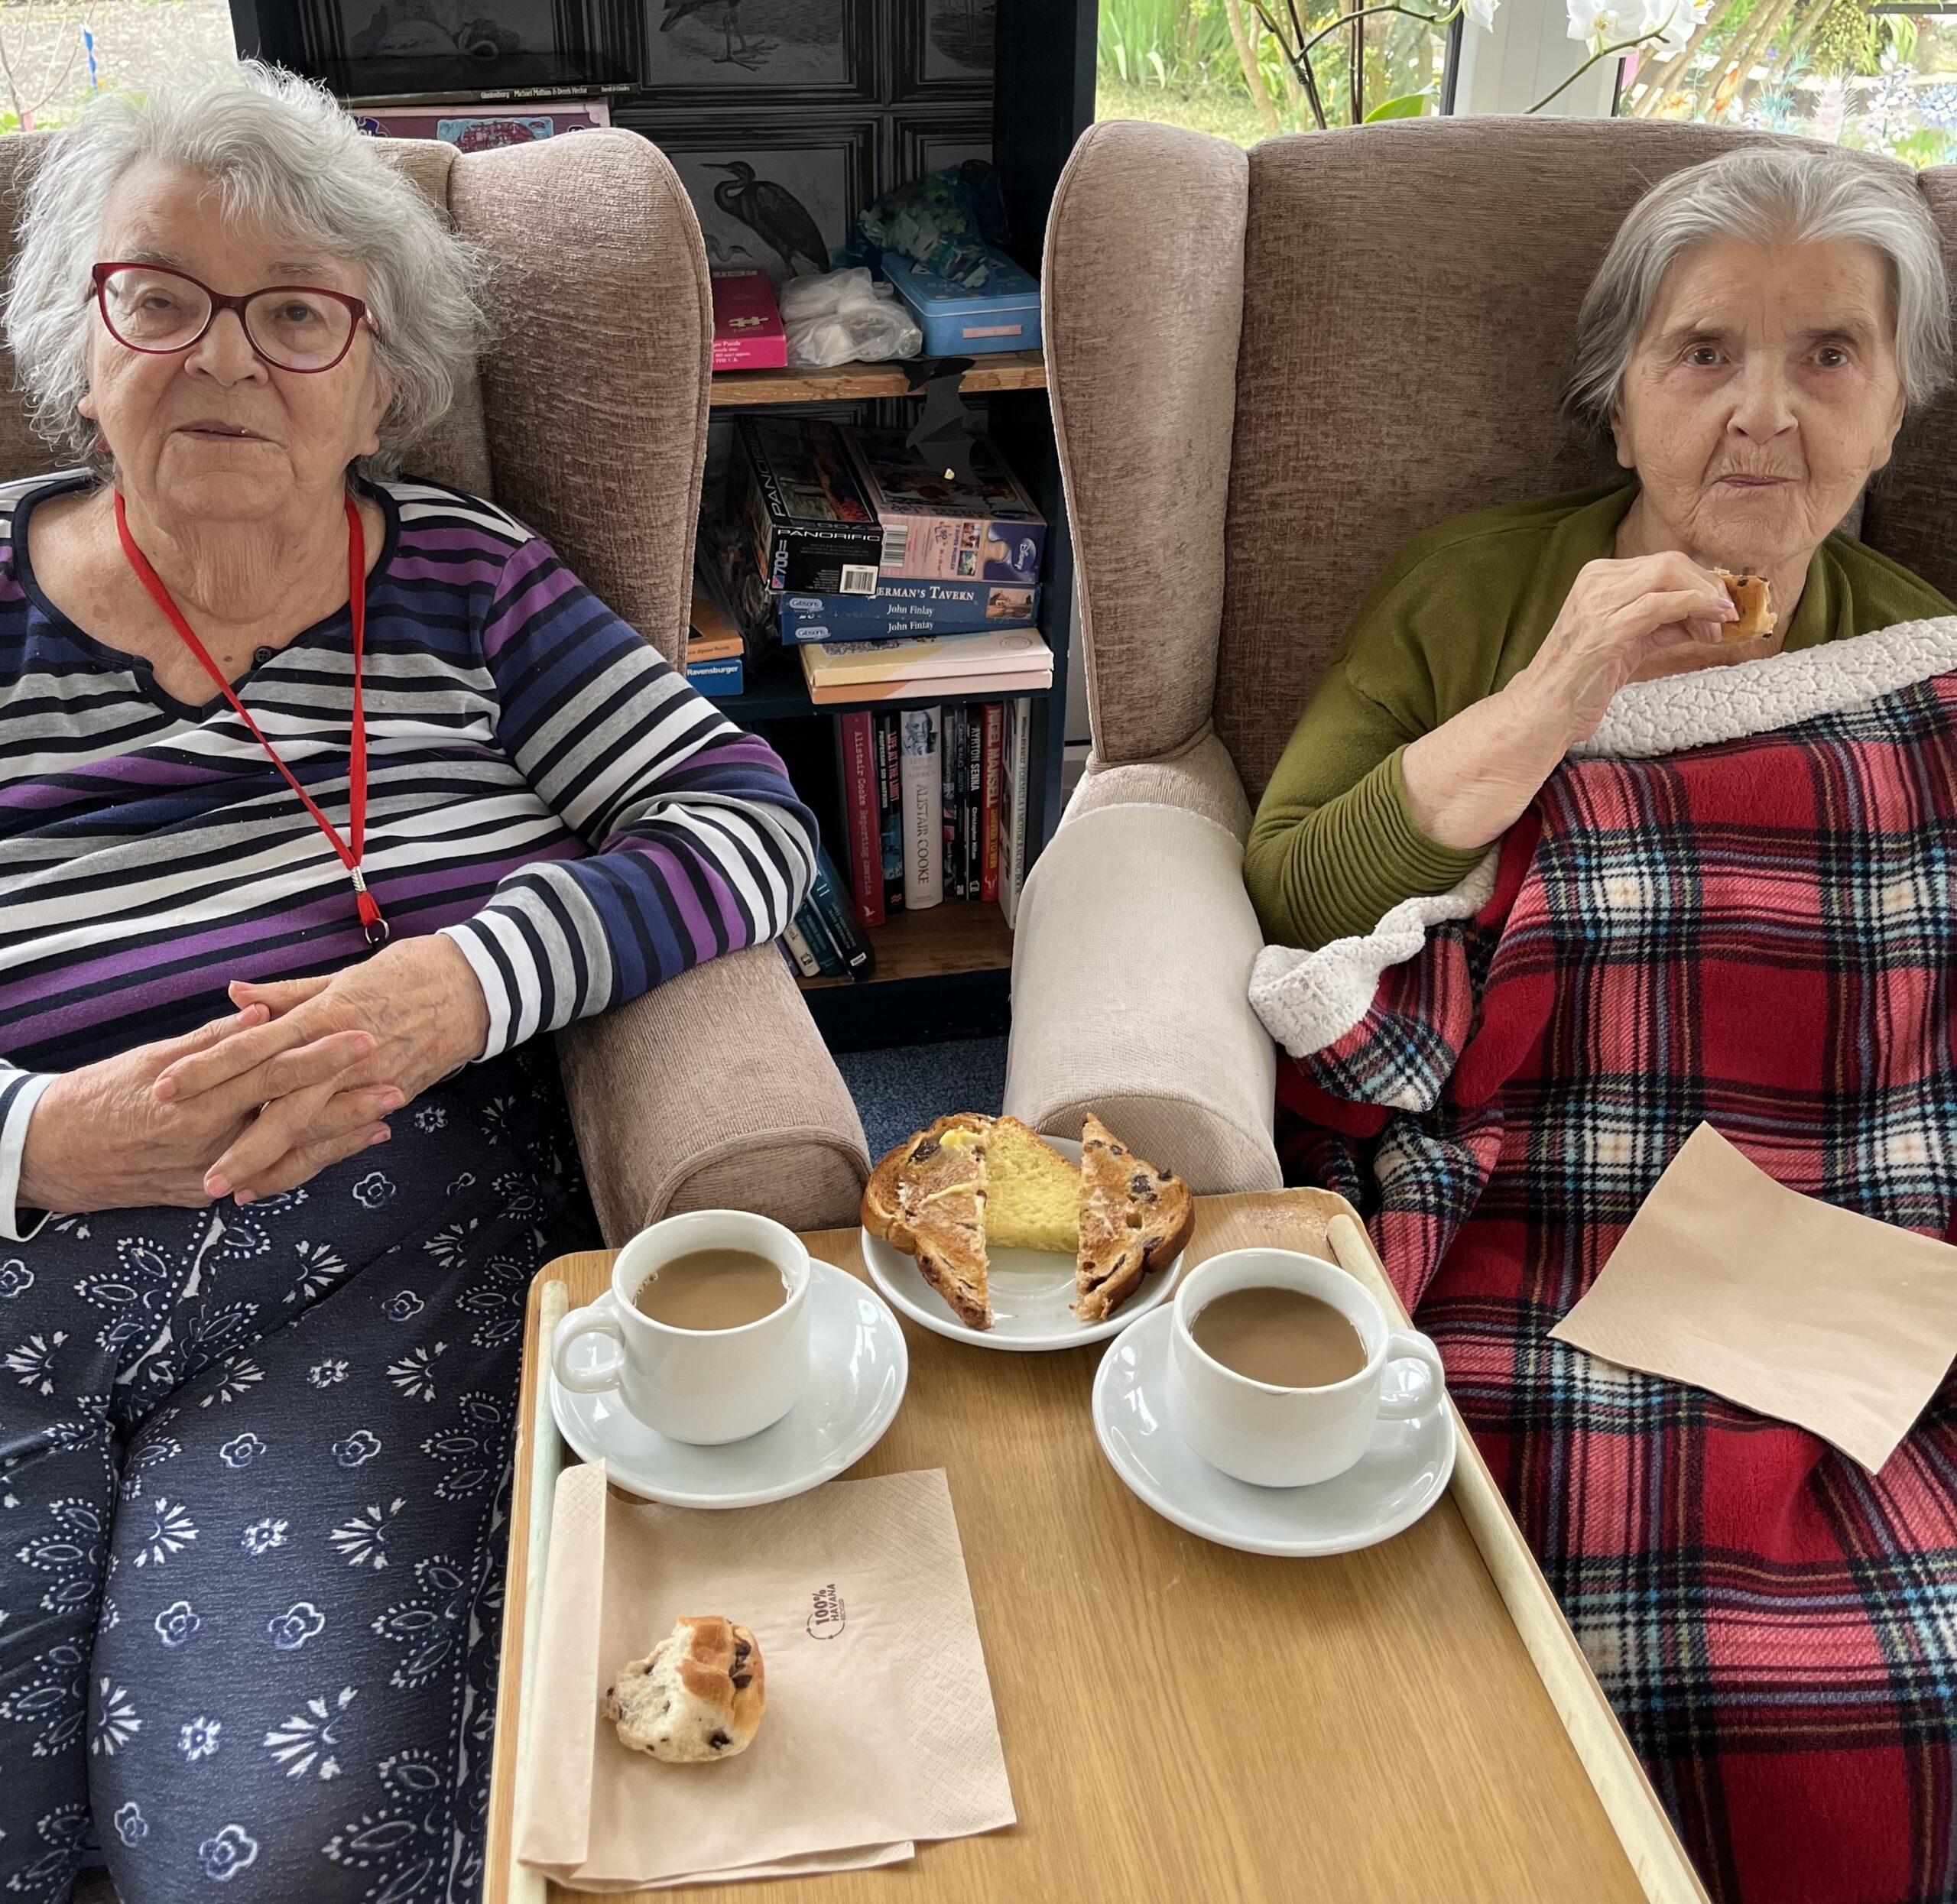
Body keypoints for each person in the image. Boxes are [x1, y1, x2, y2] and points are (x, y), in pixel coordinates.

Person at [0, 63, 816, 1903]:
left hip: (370, 1255)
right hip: (18, 1244)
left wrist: (457, 982)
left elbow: (745, 814)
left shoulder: (466, 583)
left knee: (268, 1845)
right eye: (162, 296)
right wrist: (40, 1136)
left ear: (382, 378)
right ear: (76, 331)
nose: (224, 361)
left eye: (296, 315)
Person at [1246, 144, 1955, 953]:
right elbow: (1288, 903)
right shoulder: (1462, 593)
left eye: (1829, 357)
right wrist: (1535, 710)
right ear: (1618, 410)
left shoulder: (1925, 663)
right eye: (1703, 353)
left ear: (1893, 417)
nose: (1763, 414)